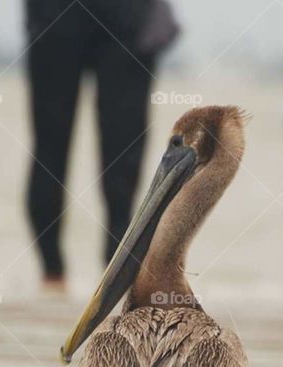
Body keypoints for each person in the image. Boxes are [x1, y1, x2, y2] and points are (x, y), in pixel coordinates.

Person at [23, 0, 178, 292]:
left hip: (61, 15)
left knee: (51, 147)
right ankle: (102, 279)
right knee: (119, 156)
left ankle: (57, 278)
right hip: (120, 16)